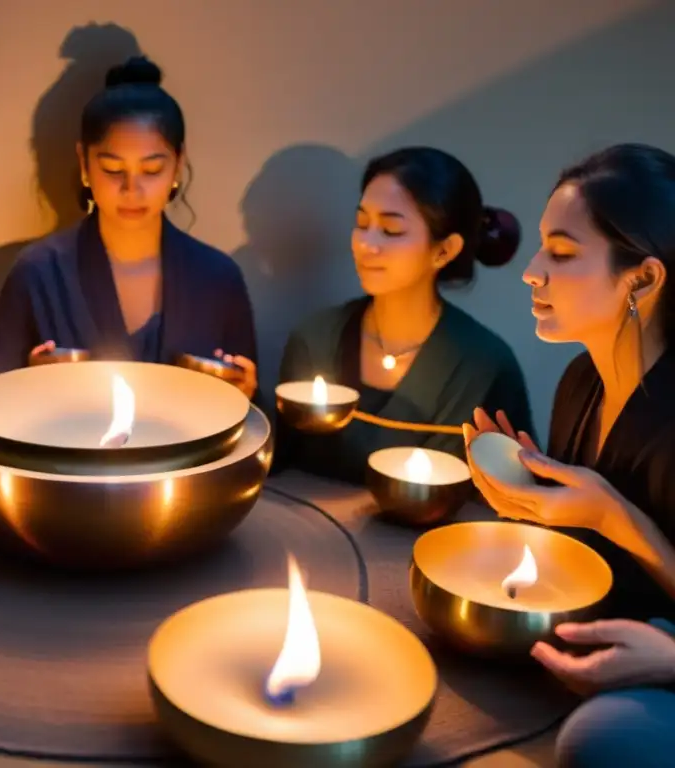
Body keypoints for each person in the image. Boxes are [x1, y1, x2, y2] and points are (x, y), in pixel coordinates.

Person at [462, 144, 675, 767]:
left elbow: (611, 530)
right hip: (607, 620)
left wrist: (615, 518)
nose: (531, 270)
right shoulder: (580, 382)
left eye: (560, 252)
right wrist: (531, 498)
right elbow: (581, 553)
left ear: (643, 278)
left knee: (604, 739)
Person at [0, 56, 258, 397]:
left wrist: (242, 394)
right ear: (84, 164)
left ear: (178, 165)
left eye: (152, 170)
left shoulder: (218, 279)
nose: (131, 190)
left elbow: (254, 427)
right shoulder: (37, 273)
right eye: (113, 169)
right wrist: (29, 387)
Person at [277, 146, 533, 484]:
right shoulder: (316, 340)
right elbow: (276, 468)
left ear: (445, 250)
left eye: (391, 231)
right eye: (361, 223)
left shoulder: (485, 366)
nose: (366, 244)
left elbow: (516, 496)